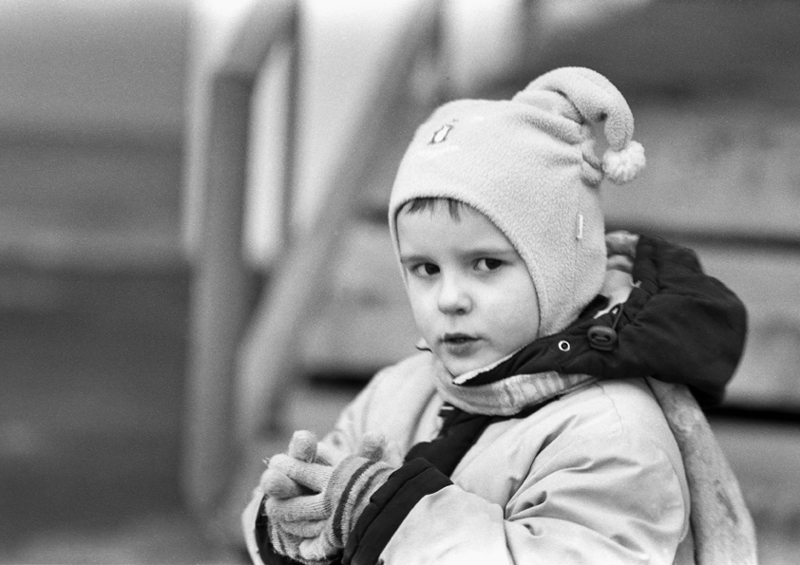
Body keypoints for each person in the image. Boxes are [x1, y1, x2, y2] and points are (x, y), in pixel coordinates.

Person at [242, 67, 755, 565]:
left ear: (560, 266)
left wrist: (390, 519)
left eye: (485, 264)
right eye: (424, 269)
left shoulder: (614, 434)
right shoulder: (398, 393)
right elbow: (332, 503)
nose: (450, 298)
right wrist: (291, 528)